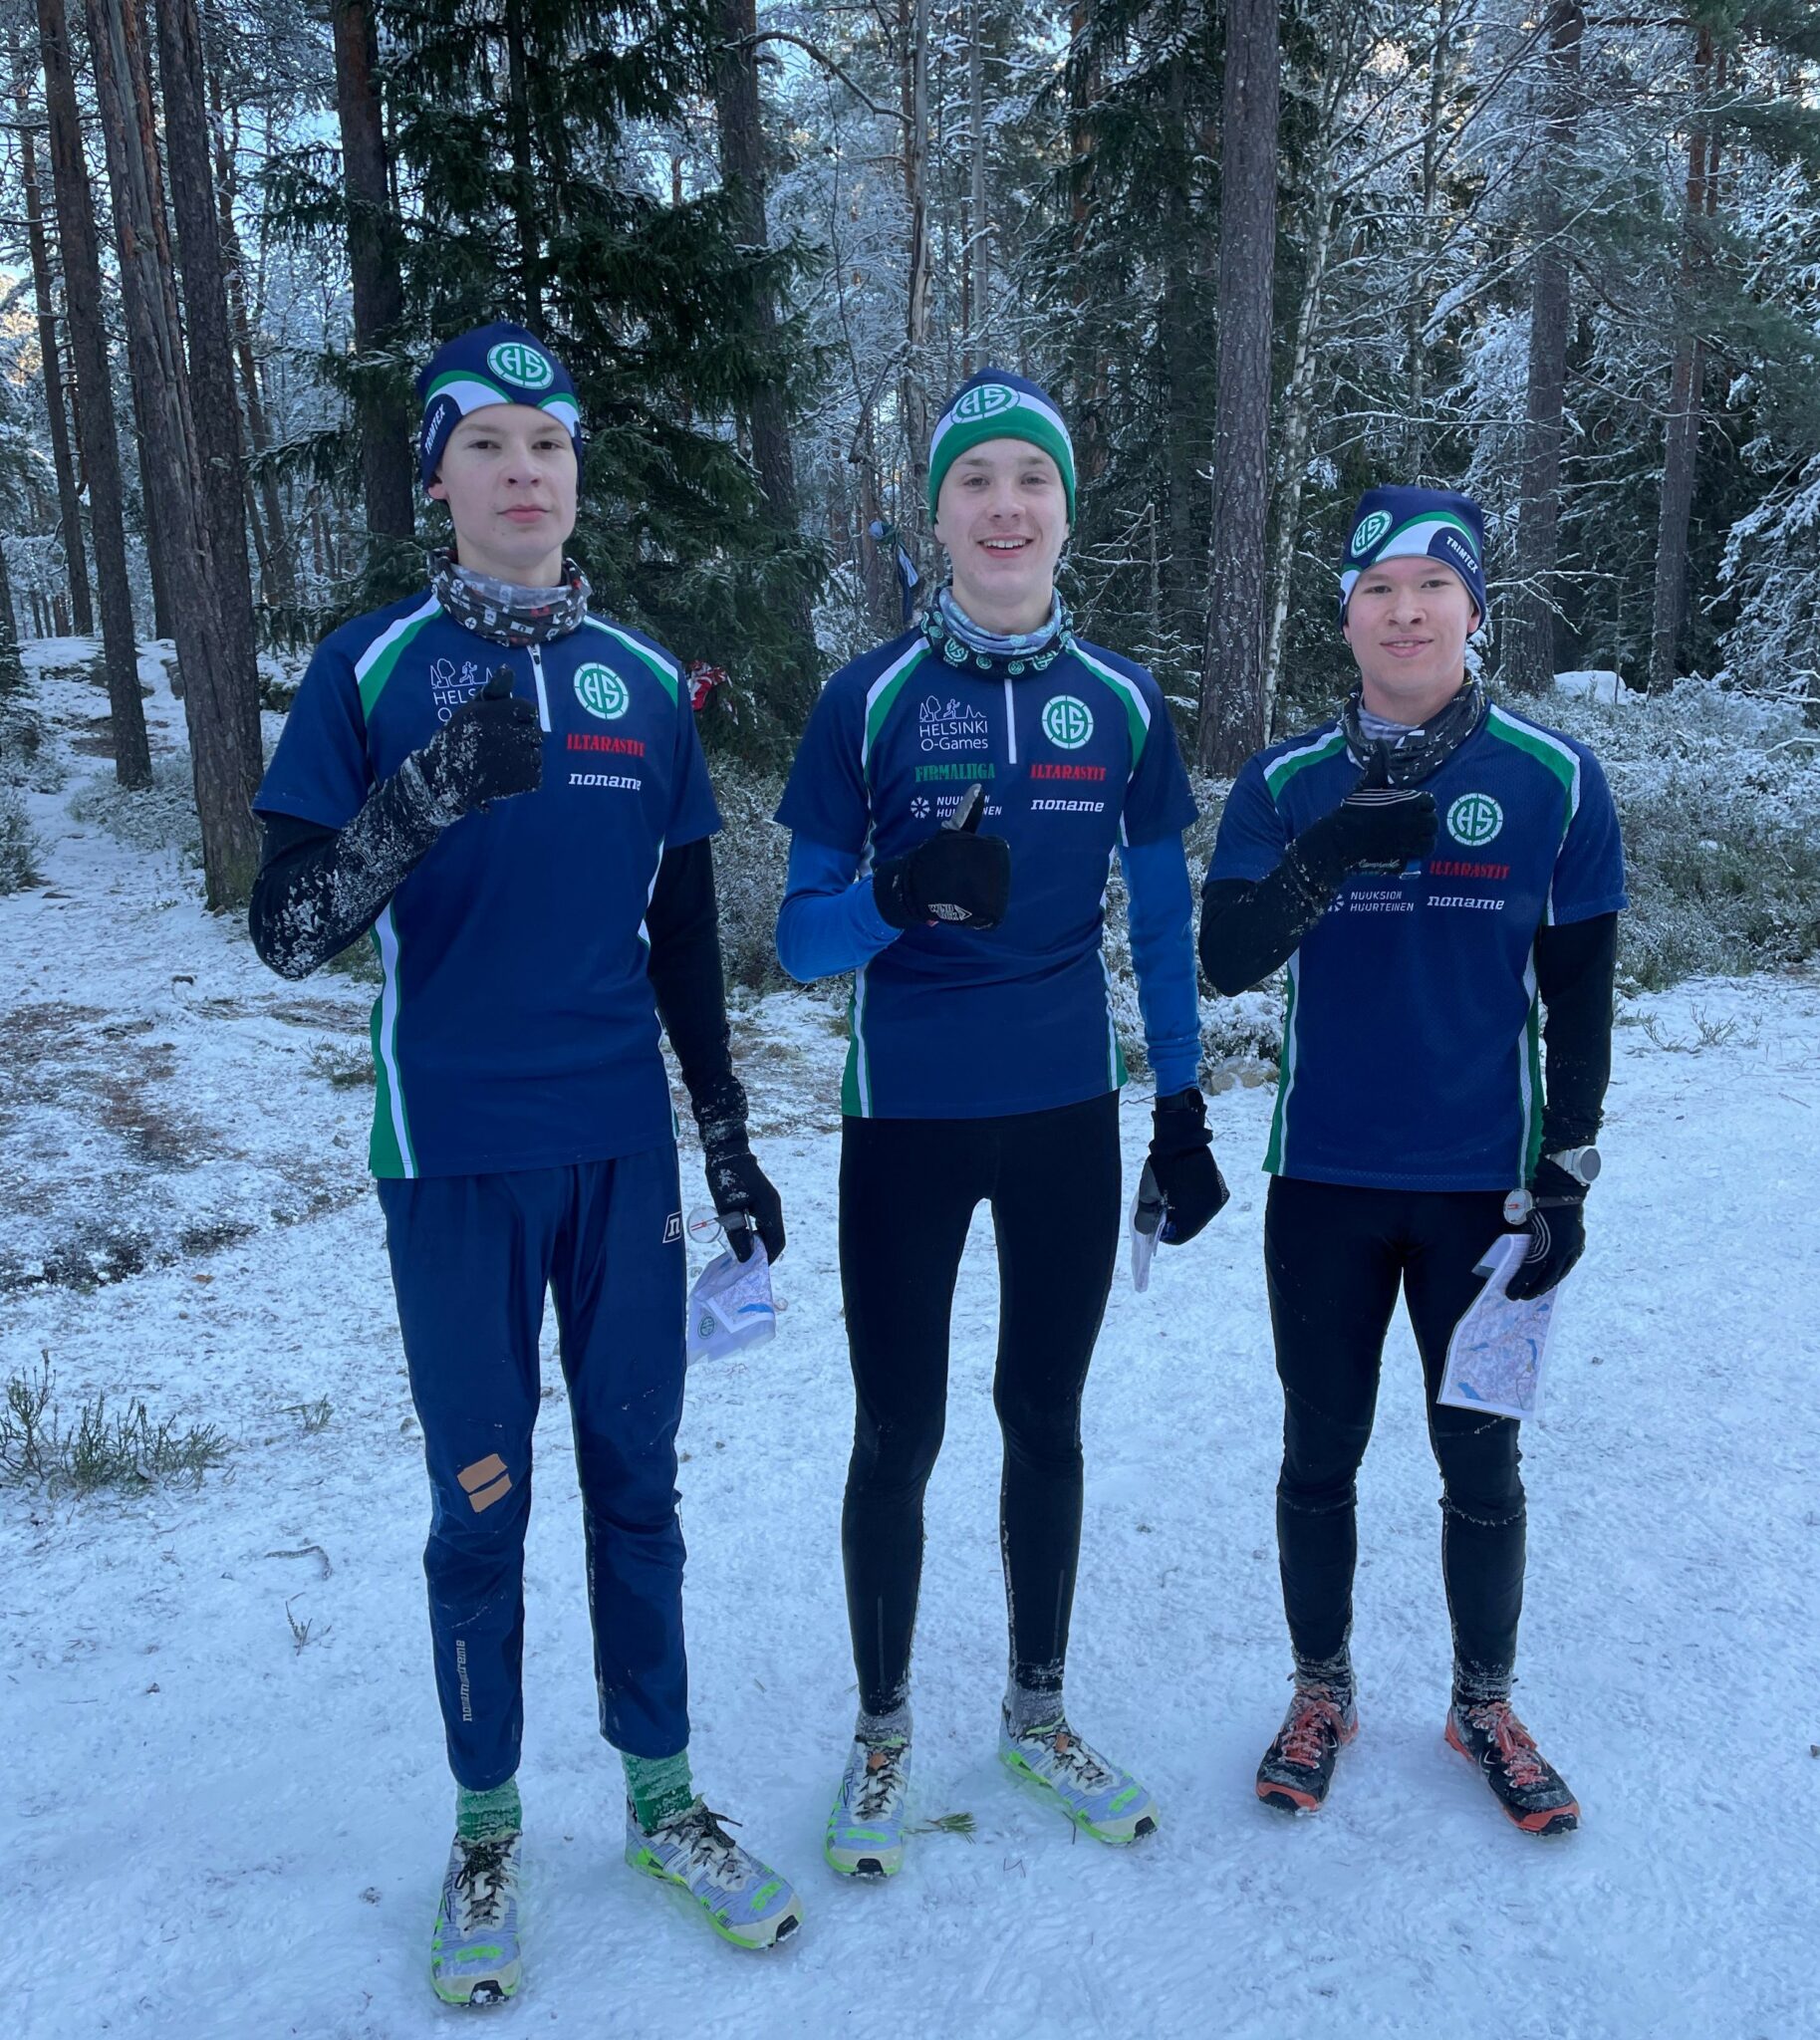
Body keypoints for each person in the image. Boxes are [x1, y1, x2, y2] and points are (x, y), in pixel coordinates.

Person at [248, 322, 801, 2004]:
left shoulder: (642, 682)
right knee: (479, 1502)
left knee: (639, 1483)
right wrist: (420, 799)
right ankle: (486, 1829)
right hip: (453, 1156)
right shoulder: (369, 667)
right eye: (484, 444)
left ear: (576, 475)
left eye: (547, 444)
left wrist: (726, 1135)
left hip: (619, 1156)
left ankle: (662, 1799)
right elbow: (287, 927)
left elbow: (684, 938)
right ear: (437, 478)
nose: (522, 473)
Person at [774, 370, 1229, 1879]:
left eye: (1032, 477)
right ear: (941, 512)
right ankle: (882, 1730)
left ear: (1065, 511)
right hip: (905, 1116)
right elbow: (798, 942)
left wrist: (1181, 1106)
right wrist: (894, 896)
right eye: (976, 480)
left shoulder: (1124, 703)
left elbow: (1159, 927)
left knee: (1045, 1416)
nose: (1006, 506)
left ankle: (1037, 1711)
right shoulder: (871, 699)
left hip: (1063, 1117)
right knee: (897, 1429)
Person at [1199, 486, 1625, 1837]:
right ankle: (1320, 1690)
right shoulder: (1284, 784)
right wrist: (1328, 850)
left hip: (1485, 1192)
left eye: (1433, 586)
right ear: (1345, 618)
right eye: (1377, 589)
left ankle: (1483, 1703)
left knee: (1480, 1458)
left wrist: (1567, 1172)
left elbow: (1582, 996)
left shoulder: (1553, 778)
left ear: (1474, 611)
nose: (1404, 611)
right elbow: (1228, 959)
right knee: (1319, 1449)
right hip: (1324, 1182)